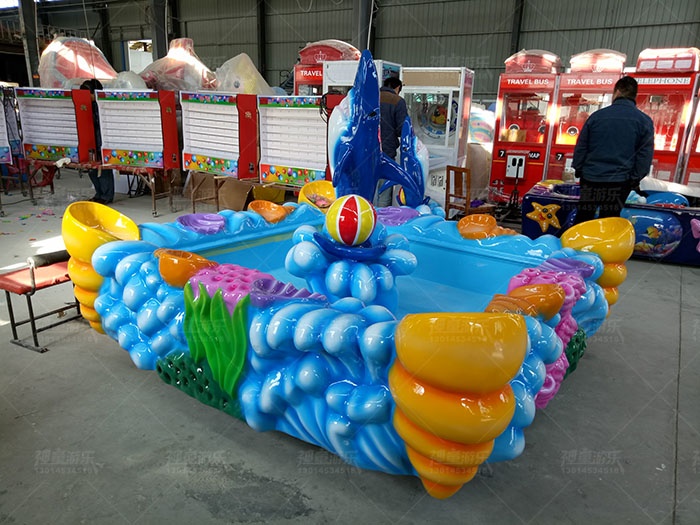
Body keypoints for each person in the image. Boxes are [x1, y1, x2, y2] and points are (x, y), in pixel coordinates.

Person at [572, 76, 654, 224]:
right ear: (635, 95)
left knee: (583, 218)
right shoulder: (644, 121)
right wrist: (633, 179)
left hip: (591, 178)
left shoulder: (596, 117)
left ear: (616, 92)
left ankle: (578, 239)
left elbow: (581, 146)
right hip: (620, 181)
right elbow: (644, 156)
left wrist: (579, 169)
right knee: (609, 222)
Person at [80, 78, 114, 204]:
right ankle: (98, 193)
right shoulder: (84, 105)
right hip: (89, 142)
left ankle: (106, 195)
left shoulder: (102, 105)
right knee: (92, 170)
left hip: (101, 141)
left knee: (103, 170)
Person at [377, 76, 408, 207]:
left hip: (366, 151)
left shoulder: (371, 97)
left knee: (369, 187)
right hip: (387, 151)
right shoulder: (398, 101)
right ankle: (383, 216)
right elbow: (402, 129)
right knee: (384, 188)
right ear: (397, 88)